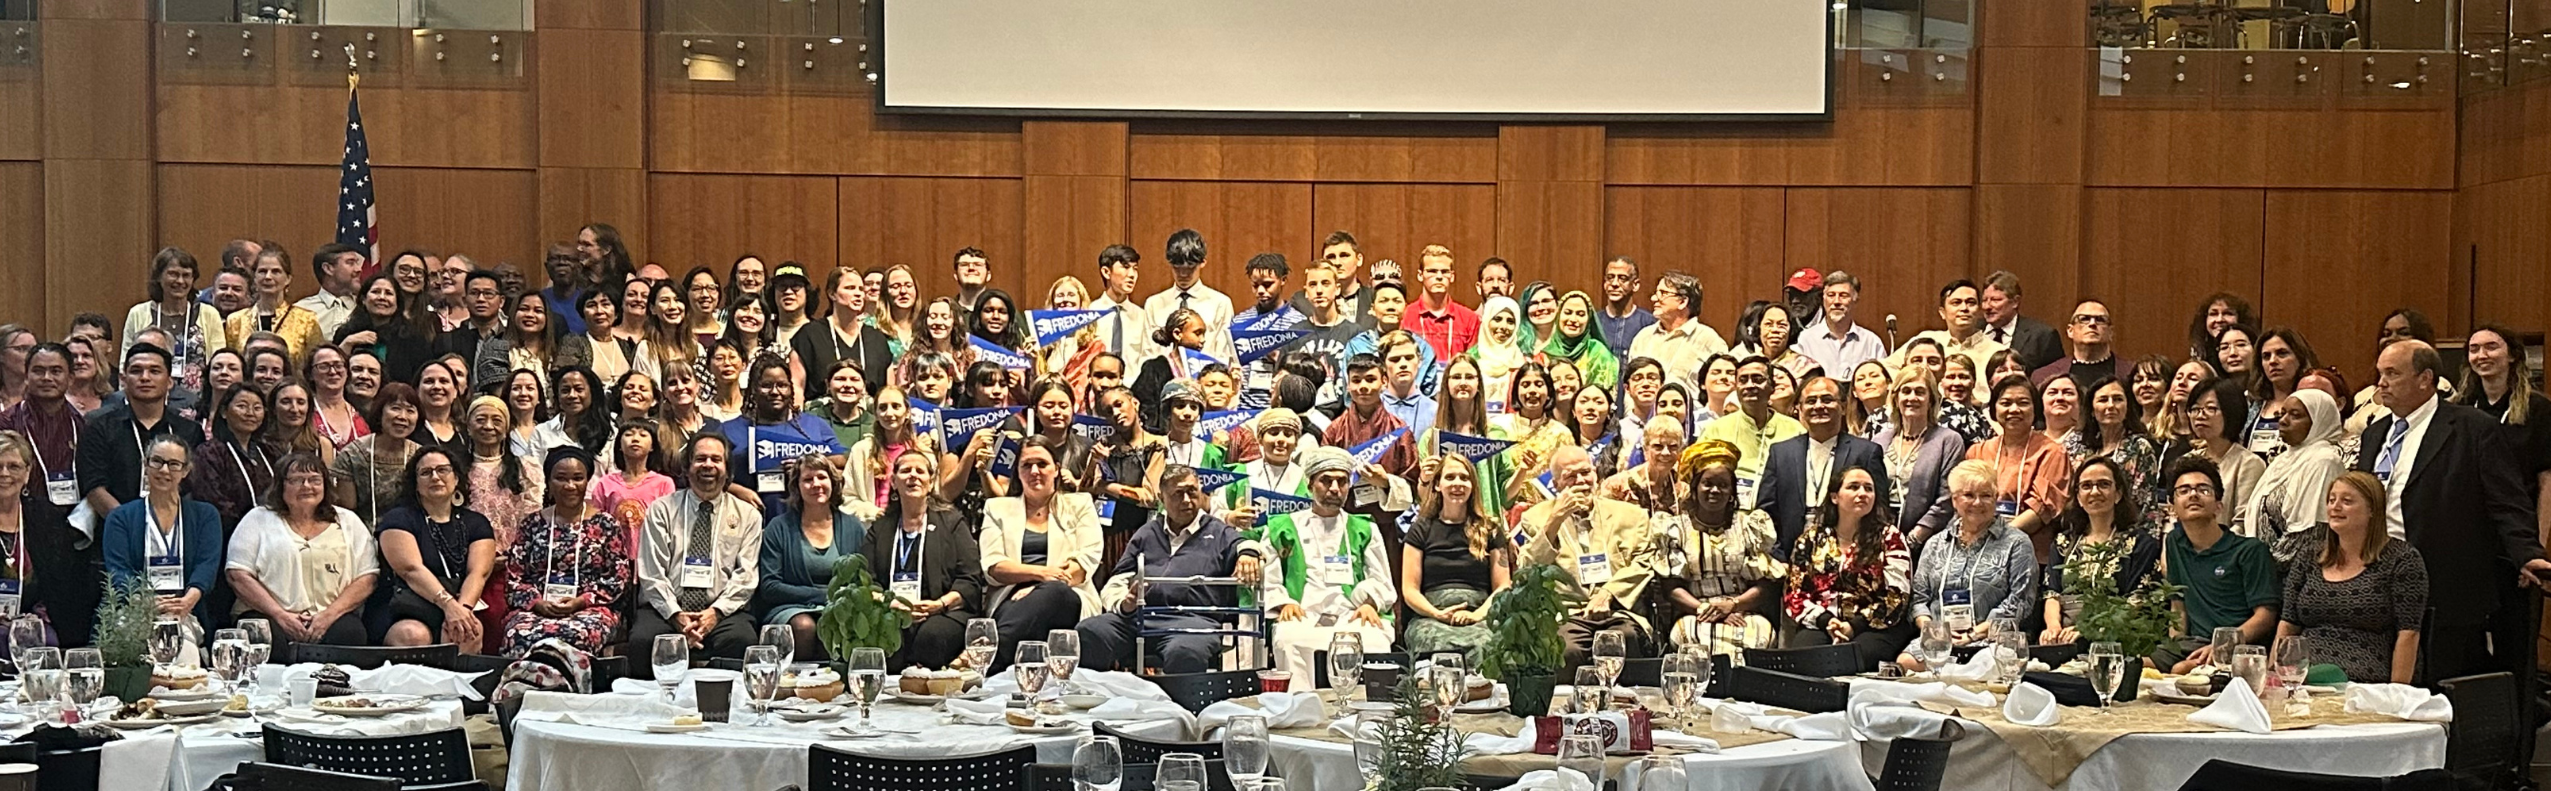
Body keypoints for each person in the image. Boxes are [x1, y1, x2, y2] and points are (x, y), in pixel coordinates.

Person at [2354, 339, 2551, 679]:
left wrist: (2527, 551)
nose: (2380, 383)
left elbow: (2506, 500)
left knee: (2439, 681)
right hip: (2378, 574)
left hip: (2444, 580)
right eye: (2379, 374)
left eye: (2392, 373)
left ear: (2425, 378)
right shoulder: (2375, 434)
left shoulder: (2472, 428)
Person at [1074, 464, 1265, 674]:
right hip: (1140, 618)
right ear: (1162, 498)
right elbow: (1118, 579)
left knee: (1184, 651)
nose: (1186, 500)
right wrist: (1124, 603)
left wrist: (1248, 555)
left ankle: (1181, 707)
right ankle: (1095, 700)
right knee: (1089, 631)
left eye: (1192, 492)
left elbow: (1245, 544)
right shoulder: (1147, 533)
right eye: (1177, 494)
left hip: (1194, 623)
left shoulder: (1217, 530)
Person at [1258, 445, 1398, 691]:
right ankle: (1301, 707)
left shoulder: (1364, 527)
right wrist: (1283, 603)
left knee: (1375, 639)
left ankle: (1363, 711)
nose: (1335, 488)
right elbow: (1269, 578)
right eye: (1326, 481)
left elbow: (1382, 579)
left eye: (1342, 482)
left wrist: (1370, 603)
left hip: (1351, 615)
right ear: (1310, 485)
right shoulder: (1282, 526)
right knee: (1288, 638)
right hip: (1303, 615)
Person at [2279, 471, 2426, 684]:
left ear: (2372, 510)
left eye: (2346, 501)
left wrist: (2396, 694)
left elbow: (2409, 634)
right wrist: (2275, 676)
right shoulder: (2309, 556)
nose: (2335, 507)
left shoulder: (2402, 559)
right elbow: (2288, 624)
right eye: (2331, 500)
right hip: (2301, 677)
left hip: (2364, 678)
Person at [633, 433, 763, 672]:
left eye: (716, 459)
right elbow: (651, 573)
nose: (708, 465)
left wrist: (714, 613)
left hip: (723, 610)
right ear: (687, 466)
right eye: (700, 459)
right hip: (666, 608)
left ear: (727, 469)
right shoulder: (661, 510)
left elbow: (746, 576)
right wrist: (676, 615)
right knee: (644, 641)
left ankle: (728, 708)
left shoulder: (748, 516)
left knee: (740, 641)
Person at [226, 452, 376, 648]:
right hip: (268, 615)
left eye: (314, 480)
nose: (306, 486)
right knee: (264, 637)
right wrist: (280, 615)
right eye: (296, 480)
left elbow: (367, 577)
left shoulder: (348, 521)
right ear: (281, 486)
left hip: (331, 617)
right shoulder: (257, 519)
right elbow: (237, 574)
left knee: (350, 634)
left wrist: (328, 616)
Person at [1898, 460, 2036, 670]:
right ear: (1954, 500)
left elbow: (2020, 601)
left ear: (1996, 498)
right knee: (1906, 662)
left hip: (1992, 640)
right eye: (1969, 495)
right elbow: (1919, 599)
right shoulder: (1935, 543)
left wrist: (1975, 633)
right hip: (1940, 640)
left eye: (1986, 495)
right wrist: (1932, 629)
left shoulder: (2017, 542)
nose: (1978, 503)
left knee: (1986, 666)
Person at [977, 437, 1101, 668]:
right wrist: (1040, 574)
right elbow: (994, 566)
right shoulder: (997, 508)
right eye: (1026, 465)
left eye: (1042, 464)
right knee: (1044, 599)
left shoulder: (1080, 504)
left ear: (1056, 469)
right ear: (1018, 471)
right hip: (1011, 596)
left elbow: (1084, 563)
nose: (1035, 471)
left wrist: (1040, 586)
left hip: (1068, 594)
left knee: (1056, 594)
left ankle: (983, 658)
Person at [1652, 440, 1785, 657]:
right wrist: (1706, 610)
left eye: (1723, 485)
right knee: (1692, 636)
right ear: (1695, 489)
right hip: (1696, 612)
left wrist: (1732, 605)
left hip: (1742, 611)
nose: (1715, 490)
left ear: (1732, 491)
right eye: (1707, 483)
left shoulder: (1749, 526)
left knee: (1759, 634)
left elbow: (1765, 585)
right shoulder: (1676, 528)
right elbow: (1671, 588)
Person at [860, 448, 982, 670]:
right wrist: (892, 604)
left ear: (930, 480)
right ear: (894, 482)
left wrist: (940, 604)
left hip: (942, 610)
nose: (913, 476)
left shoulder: (951, 522)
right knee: (886, 638)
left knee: (932, 638)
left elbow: (971, 578)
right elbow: (866, 582)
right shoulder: (881, 528)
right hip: (892, 610)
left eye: (920, 471)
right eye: (905, 471)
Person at [505, 445, 633, 656]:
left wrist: (581, 602)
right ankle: (525, 687)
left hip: (590, 610)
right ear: (549, 481)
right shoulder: (531, 524)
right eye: (561, 478)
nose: (570, 485)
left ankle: (573, 687)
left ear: (587, 481)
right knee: (519, 635)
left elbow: (618, 578)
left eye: (577, 478)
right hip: (537, 608)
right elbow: (515, 577)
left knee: (578, 634)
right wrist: (537, 603)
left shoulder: (606, 524)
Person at [2156, 456, 2280, 673]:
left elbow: (2265, 616)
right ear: (2172, 507)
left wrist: (2224, 644)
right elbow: (2178, 605)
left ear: (2218, 506)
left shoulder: (2249, 551)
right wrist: (2172, 646)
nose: (2193, 494)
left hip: (2238, 648)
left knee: (2180, 670)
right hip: (2191, 644)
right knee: (2138, 668)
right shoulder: (2174, 542)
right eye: (2183, 490)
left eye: (2203, 489)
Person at [1783, 464, 1913, 670]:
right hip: (1822, 622)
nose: (1862, 493)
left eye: (1868, 489)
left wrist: (1853, 626)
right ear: (1835, 497)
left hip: (1875, 626)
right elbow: (1795, 594)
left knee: (1851, 659)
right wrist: (1827, 622)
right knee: (1804, 658)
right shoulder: (1811, 539)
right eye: (1854, 487)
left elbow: (1896, 597)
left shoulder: (1890, 537)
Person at [370, 448, 496, 650]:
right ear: (415, 484)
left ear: (456, 478)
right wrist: (449, 606)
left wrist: (462, 611)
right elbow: (411, 570)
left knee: (468, 631)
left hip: (459, 601)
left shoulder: (476, 522)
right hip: (406, 607)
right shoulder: (399, 518)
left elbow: (478, 573)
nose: (435, 477)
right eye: (426, 472)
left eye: (442, 470)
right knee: (412, 635)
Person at [102, 435, 224, 637]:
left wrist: (188, 600)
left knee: (185, 653)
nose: (164, 470)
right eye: (157, 461)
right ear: (146, 464)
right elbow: (118, 569)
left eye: (174, 464)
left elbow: (207, 565)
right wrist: (145, 602)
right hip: (134, 609)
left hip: (186, 609)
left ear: (186, 470)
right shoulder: (120, 517)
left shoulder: (205, 515)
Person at [1757, 377, 1891, 561]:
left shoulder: (1866, 452)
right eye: (1811, 401)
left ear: (1843, 407)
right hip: (1787, 558)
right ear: (1799, 409)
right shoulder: (1781, 453)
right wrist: (1777, 557)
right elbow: (1766, 511)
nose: (1819, 406)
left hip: (1848, 560)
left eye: (1827, 400)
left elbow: (1880, 509)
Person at [2038, 457, 2162, 646]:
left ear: (2118, 494)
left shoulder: (2140, 544)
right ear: (2078, 497)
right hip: (2065, 638)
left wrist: (2090, 629)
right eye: (2087, 486)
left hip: (2116, 638)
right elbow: (2052, 593)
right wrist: (2053, 627)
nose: (2095, 492)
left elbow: (2138, 600)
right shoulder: (2064, 542)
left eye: (2104, 484)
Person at [1400, 453, 1512, 662]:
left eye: (1464, 478)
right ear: (1437, 485)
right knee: (1434, 643)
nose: (1457, 484)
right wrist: (1437, 614)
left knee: (1485, 644)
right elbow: (1409, 590)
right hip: (1431, 616)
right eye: (1450, 477)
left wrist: (1476, 615)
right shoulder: (1420, 529)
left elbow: (1503, 586)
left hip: (1480, 614)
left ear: (1473, 486)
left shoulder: (1491, 529)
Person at [755, 455, 867, 661]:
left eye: (822, 477)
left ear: (833, 482)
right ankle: (794, 688)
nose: (816, 484)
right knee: (804, 626)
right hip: (789, 608)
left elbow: (864, 580)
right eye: (807, 479)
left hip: (839, 608)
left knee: (835, 622)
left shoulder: (854, 527)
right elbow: (770, 586)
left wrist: (838, 601)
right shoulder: (778, 528)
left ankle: (832, 686)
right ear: (796, 487)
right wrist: (823, 596)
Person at [2454, 325, 2551, 555]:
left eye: (2491, 347)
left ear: (2512, 355)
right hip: (2468, 530)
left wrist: (2537, 545)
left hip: (2518, 529)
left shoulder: (2538, 409)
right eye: (2474, 349)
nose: (2482, 355)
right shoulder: (2459, 409)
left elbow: (2547, 481)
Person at [721, 359, 846, 516]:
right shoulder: (730, 429)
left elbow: (841, 463)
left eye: (782, 385)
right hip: (748, 517)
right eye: (766, 385)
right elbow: (708, 474)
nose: (775, 392)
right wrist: (737, 491)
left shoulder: (814, 425)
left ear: (790, 389)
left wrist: (806, 463)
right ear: (753, 389)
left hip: (807, 518)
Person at [1965, 375, 2070, 560]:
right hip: (1978, 549)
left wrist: (1995, 539)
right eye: (2006, 403)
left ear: (2035, 409)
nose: (2014, 409)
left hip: (2030, 551)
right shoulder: (1977, 452)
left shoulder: (2052, 453)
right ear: (1994, 409)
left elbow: (2042, 508)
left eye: (2023, 403)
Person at [2242, 389, 2347, 551]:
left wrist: (2264, 564)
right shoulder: (2283, 459)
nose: (2283, 421)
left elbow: (2312, 535)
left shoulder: (2324, 461)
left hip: (2298, 570)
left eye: (2295, 415)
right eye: (2282, 414)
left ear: (2318, 421)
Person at [1697, 357, 1804, 510]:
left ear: (1772, 386)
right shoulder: (1716, 429)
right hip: (1728, 514)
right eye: (1743, 380)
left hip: (1780, 511)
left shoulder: (1795, 430)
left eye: (1757, 379)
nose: (1749, 385)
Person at [1875, 370, 1966, 550]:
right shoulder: (1879, 440)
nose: (1912, 397)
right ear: (1895, 398)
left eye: (1920, 392)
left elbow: (1947, 498)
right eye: (1906, 391)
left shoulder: (1948, 440)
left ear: (1931, 399)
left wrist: (1913, 540)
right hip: (1878, 539)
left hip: (1927, 543)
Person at [125, 247, 230, 390]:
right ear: (159, 277)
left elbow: (219, 360)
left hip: (198, 400)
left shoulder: (209, 314)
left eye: (186, 275)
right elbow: (126, 361)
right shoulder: (138, 313)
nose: (180, 281)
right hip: (149, 396)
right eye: (173, 274)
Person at [2176, 375, 2267, 535]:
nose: (2200, 416)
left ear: (2231, 412)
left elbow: (2243, 524)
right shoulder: (2187, 461)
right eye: (2195, 409)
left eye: (2211, 408)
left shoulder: (2249, 464)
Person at [792, 268, 896, 403]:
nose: (858, 294)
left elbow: (890, 391)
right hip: (820, 419)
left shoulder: (877, 339)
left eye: (860, 289)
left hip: (869, 419)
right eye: (850, 288)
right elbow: (796, 387)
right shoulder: (809, 335)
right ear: (832, 294)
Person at [186, 383, 277, 528]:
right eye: (242, 406)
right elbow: (213, 502)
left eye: (257, 408)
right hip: (229, 534)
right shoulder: (210, 453)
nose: (250, 413)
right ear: (224, 412)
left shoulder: (269, 452)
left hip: (271, 533)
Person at [1139, 230, 1236, 364]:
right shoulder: (1154, 303)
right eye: (1177, 268)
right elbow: (1148, 353)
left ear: (1203, 263)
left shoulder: (1220, 303)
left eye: (1190, 268)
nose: (1183, 275)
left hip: (1205, 378)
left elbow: (1222, 354)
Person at [331, 383, 422, 523]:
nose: (403, 417)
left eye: (410, 411)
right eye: (395, 408)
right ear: (380, 411)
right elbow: (347, 513)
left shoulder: (421, 456)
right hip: (362, 534)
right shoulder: (352, 455)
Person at [226, 246, 324, 366]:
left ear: (288, 279)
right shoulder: (236, 320)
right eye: (262, 271)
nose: (268, 277)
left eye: (276, 271)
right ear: (254, 278)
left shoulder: (307, 320)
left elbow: (315, 363)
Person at [334, 273, 437, 386]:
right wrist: (348, 343)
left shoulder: (414, 338)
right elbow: (333, 373)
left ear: (398, 303)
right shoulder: (346, 333)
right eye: (376, 292)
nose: (382, 297)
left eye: (388, 293)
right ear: (363, 299)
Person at [1888, 279, 2005, 376]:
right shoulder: (1926, 341)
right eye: (1956, 302)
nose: (1964, 308)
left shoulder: (1997, 351)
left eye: (1971, 302)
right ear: (1942, 312)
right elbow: (1886, 367)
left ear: (1979, 311)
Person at [1288, 231, 1375, 329]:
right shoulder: (1302, 301)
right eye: (1331, 257)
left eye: (1344, 255)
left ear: (1359, 259)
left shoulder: (1375, 298)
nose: (1337, 262)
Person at [1407, 246, 1479, 359]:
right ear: (1420, 275)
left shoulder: (1469, 319)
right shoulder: (1406, 316)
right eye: (1432, 271)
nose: (1439, 277)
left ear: (1452, 276)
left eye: (1445, 272)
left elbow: (1473, 363)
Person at [1539, 290, 1618, 392]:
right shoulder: (1544, 355)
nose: (1573, 319)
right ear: (1558, 315)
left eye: (1580, 314)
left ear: (1588, 319)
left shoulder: (1598, 353)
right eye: (1568, 313)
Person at [1592, 257, 1653, 363]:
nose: (1615, 284)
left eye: (1622, 278)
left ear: (1635, 285)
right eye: (1610, 277)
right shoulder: (1594, 321)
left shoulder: (1649, 323)